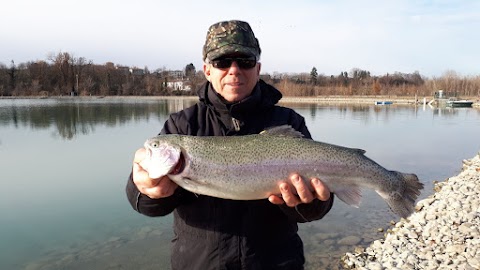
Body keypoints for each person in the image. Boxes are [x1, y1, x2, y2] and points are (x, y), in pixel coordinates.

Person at [126, 20, 334, 270]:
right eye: (222, 62)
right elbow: (151, 206)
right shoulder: (182, 126)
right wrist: (145, 190)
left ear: (257, 69)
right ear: (207, 70)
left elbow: (315, 210)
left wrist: (309, 203)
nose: (234, 70)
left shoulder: (289, 122)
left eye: (244, 61)